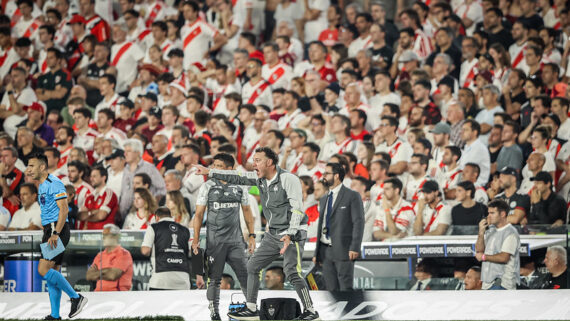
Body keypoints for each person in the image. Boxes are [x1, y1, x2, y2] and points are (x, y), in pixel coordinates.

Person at [194, 147, 320, 320]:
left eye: (258, 160)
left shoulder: (288, 179)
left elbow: (297, 210)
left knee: (292, 272)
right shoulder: (259, 179)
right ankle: (252, 308)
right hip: (273, 233)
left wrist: (290, 233)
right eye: (254, 160)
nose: (254, 164)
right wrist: (210, 172)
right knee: (252, 266)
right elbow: (236, 176)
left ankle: (311, 310)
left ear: (269, 162)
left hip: (294, 232)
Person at [192, 153, 256, 320]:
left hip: (236, 242)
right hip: (215, 242)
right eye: (213, 165)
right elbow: (198, 215)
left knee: (245, 277)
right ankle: (214, 312)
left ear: (230, 169)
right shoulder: (207, 186)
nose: (214, 169)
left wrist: (252, 236)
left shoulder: (240, 185)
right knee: (214, 279)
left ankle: (252, 309)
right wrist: (196, 239)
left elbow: (247, 212)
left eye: (219, 166)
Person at [25, 153, 87, 320]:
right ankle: (55, 315)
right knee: (53, 272)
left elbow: (64, 209)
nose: (28, 169)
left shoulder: (55, 183)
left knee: (42, 269)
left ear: (42, 167)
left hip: (55, 229)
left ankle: (76, 297)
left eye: (31, 166)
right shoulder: (43, 184)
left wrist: (55, 233)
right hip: (50, 229)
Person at [313, 162, 364, 291]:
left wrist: (355, 247)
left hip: (344, 249)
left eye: (326, 173)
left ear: (336, 176)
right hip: (325, 250)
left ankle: (348, 311)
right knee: (330, 289)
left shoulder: (352, 196)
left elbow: (358, 222)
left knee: (345, 288)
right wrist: (317, 252)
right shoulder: (324, 198)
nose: (323, 176)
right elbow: (321, 225)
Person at [141, 207, 191, 290]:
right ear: (170, 216)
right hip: (183, 281)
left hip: (160, 281)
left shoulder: (153, 227)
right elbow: (194, 252)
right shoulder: (185, 230)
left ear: (156, 217)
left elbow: (145, 251)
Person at [475, 199, 521, 290]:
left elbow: (504, 257)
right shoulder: (490, 230)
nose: (489, 216)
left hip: (502, 283)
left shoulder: (510, 232)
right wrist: (481, 232)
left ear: (503, 214)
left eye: (492, 213)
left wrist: (484, 257)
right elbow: (479, 250)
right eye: (488, 213)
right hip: (487, 283)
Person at [85, 224, 133, 291]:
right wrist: (107, 270)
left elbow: (112, 275)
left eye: (106, 234)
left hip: (117, 295)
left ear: (116, 237)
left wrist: (97, 272)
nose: (103, 237)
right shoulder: (100, 255)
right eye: (103, 235)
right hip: (98, 294)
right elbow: (89, 276)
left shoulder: (124, 254)